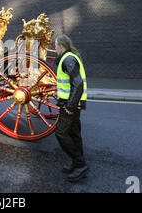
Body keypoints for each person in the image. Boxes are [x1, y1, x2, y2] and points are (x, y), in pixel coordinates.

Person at [54, 35, 88, 182]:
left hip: (71, 103)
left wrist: (70, 106)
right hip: (73, 101)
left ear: (60, 45)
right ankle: (77, 163)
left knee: (61, 133)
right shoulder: (70, 57)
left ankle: (80, 164)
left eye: (55, 46)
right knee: (74, 133)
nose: (54, 49)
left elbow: (78, 83)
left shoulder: (67, 59)